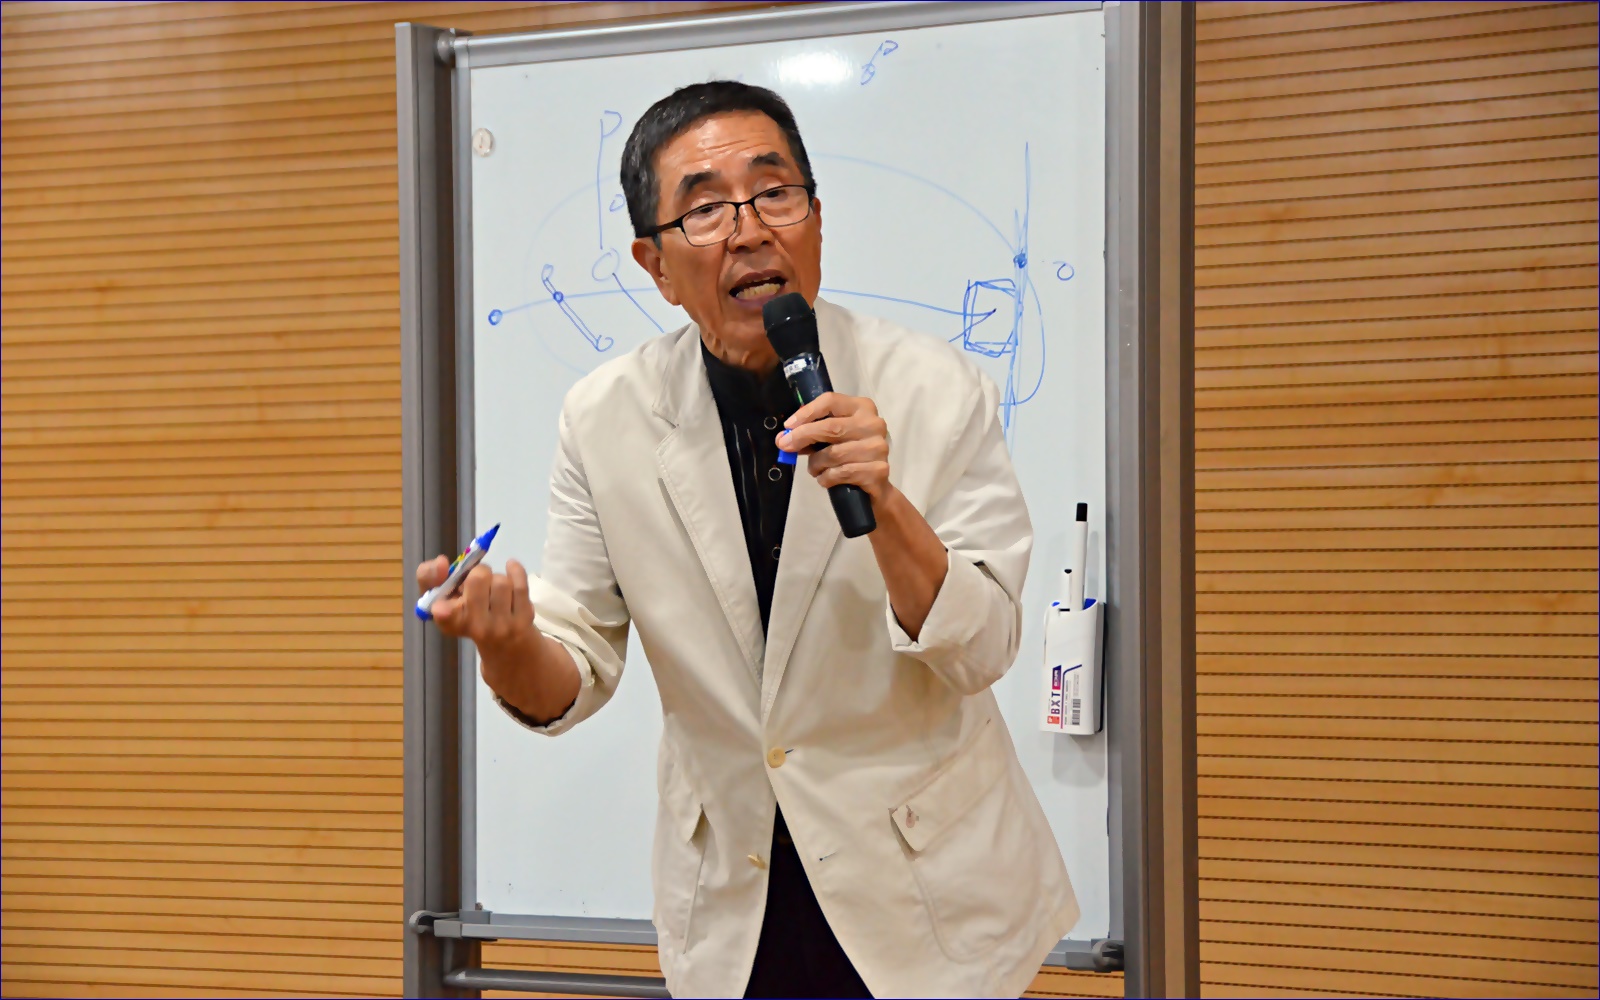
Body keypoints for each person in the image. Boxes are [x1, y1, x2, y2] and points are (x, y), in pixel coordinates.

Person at [415, 81, 1077, 998]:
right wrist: (506, 642)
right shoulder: (604, 419)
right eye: (705, 209)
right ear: (654, 264)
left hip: (927, 894)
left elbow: (983, 647)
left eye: (775, 193)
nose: (750, 229)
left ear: (816, 219)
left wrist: (884, 502)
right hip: (737, 899)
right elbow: (572, 673)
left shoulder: (936, 386)